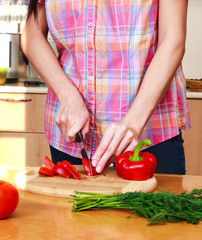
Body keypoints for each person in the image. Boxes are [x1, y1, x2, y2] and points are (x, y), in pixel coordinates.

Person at [21, 0, 190, 175]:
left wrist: (133, 124)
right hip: (72, 136)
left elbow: (173, 38)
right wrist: (66, 95)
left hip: (150, 134)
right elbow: (32, 34)